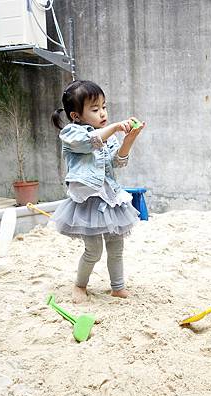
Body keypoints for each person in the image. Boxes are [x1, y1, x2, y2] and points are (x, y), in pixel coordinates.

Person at [51, 80, 145, 302]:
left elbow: (117, 162)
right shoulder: (70, 133)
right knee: (93, 251)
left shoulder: (108, 135)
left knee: (116, 247)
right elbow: (89, 142)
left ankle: (118, 287)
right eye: (95, 109)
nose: (103, 112)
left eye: (104, 106)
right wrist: (113, 128)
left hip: (110, 198)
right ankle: (80, 286)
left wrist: (129, 139)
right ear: (76, 115)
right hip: (87, 201)